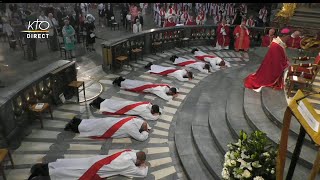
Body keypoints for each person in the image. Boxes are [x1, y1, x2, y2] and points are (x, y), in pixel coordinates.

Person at [28, 150, 148, 180]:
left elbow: (136, 152)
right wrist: (144, 166)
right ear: (138, 161)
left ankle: (44, 167)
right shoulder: (129, 165)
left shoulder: (128, 152)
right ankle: (44, 176)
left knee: (71, 164)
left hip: (95, 160)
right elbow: (141, 174)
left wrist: (139, 160)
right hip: (97, 169)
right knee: (71, 174)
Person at [64, 116, 151, 141]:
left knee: (93, 123)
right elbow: (140, 138)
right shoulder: (132, 128)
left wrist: (146, 127)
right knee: (92, 130)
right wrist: (146, 132)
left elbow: (144, 123)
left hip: (109, 121)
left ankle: (76, 120)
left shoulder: (136, 119)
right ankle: (72, 127)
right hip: (109, 128)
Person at [89, 97, 161, 121]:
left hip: (128, 104)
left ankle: (99, 100)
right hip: (127, 108)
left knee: (113, 103)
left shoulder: (148, 104)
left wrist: (158, 111)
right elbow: (152, 118)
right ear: (152, 110)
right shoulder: (145, 112)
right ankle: (96, 103)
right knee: (112, 108)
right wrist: (158, 114)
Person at [112, 76, 178, 101]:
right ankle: (119, 83)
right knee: (133, 87)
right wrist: (173, 96)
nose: (170, 94)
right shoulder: (160, 91)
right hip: (146, 88)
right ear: (170, 92)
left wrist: (176, 91)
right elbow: (165, 98)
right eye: (171, 93)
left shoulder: (166, 86)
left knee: (135, 82)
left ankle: (123, 80)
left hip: (148, 84)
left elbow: (172, 88)